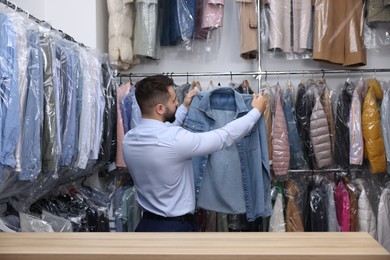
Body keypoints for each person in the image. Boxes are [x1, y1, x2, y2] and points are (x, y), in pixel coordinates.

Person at [122, 75, 268, 232]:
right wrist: (255, 112)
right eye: (173, 100)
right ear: (160, 108)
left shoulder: (129, 140)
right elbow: (223, 137)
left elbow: (163, 135)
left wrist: (184, 107)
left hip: (145, 226)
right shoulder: (175, 139)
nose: (177, 102)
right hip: (175, 229)